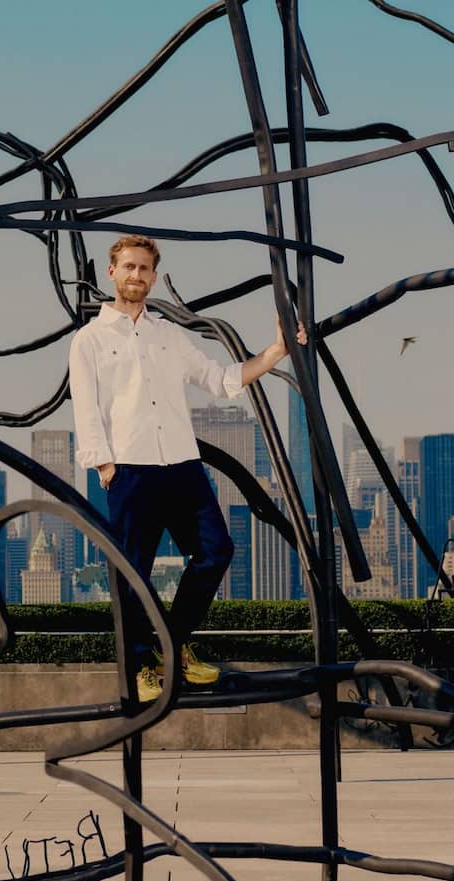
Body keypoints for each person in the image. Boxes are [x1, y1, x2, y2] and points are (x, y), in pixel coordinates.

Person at [69, 234, 305, 702]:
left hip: (183, 467)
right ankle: (138, 665)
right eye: (129, 267)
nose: (137, 276)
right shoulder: (89, 341)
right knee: (133, 570)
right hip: (130, 470)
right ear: (112, 272)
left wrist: (276, 351)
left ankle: (170, 646)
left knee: (216, 551)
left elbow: (220, 380)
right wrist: (104, 464)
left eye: (145, 269)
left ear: (154, 278)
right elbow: (86, 409)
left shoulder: (170, 336)